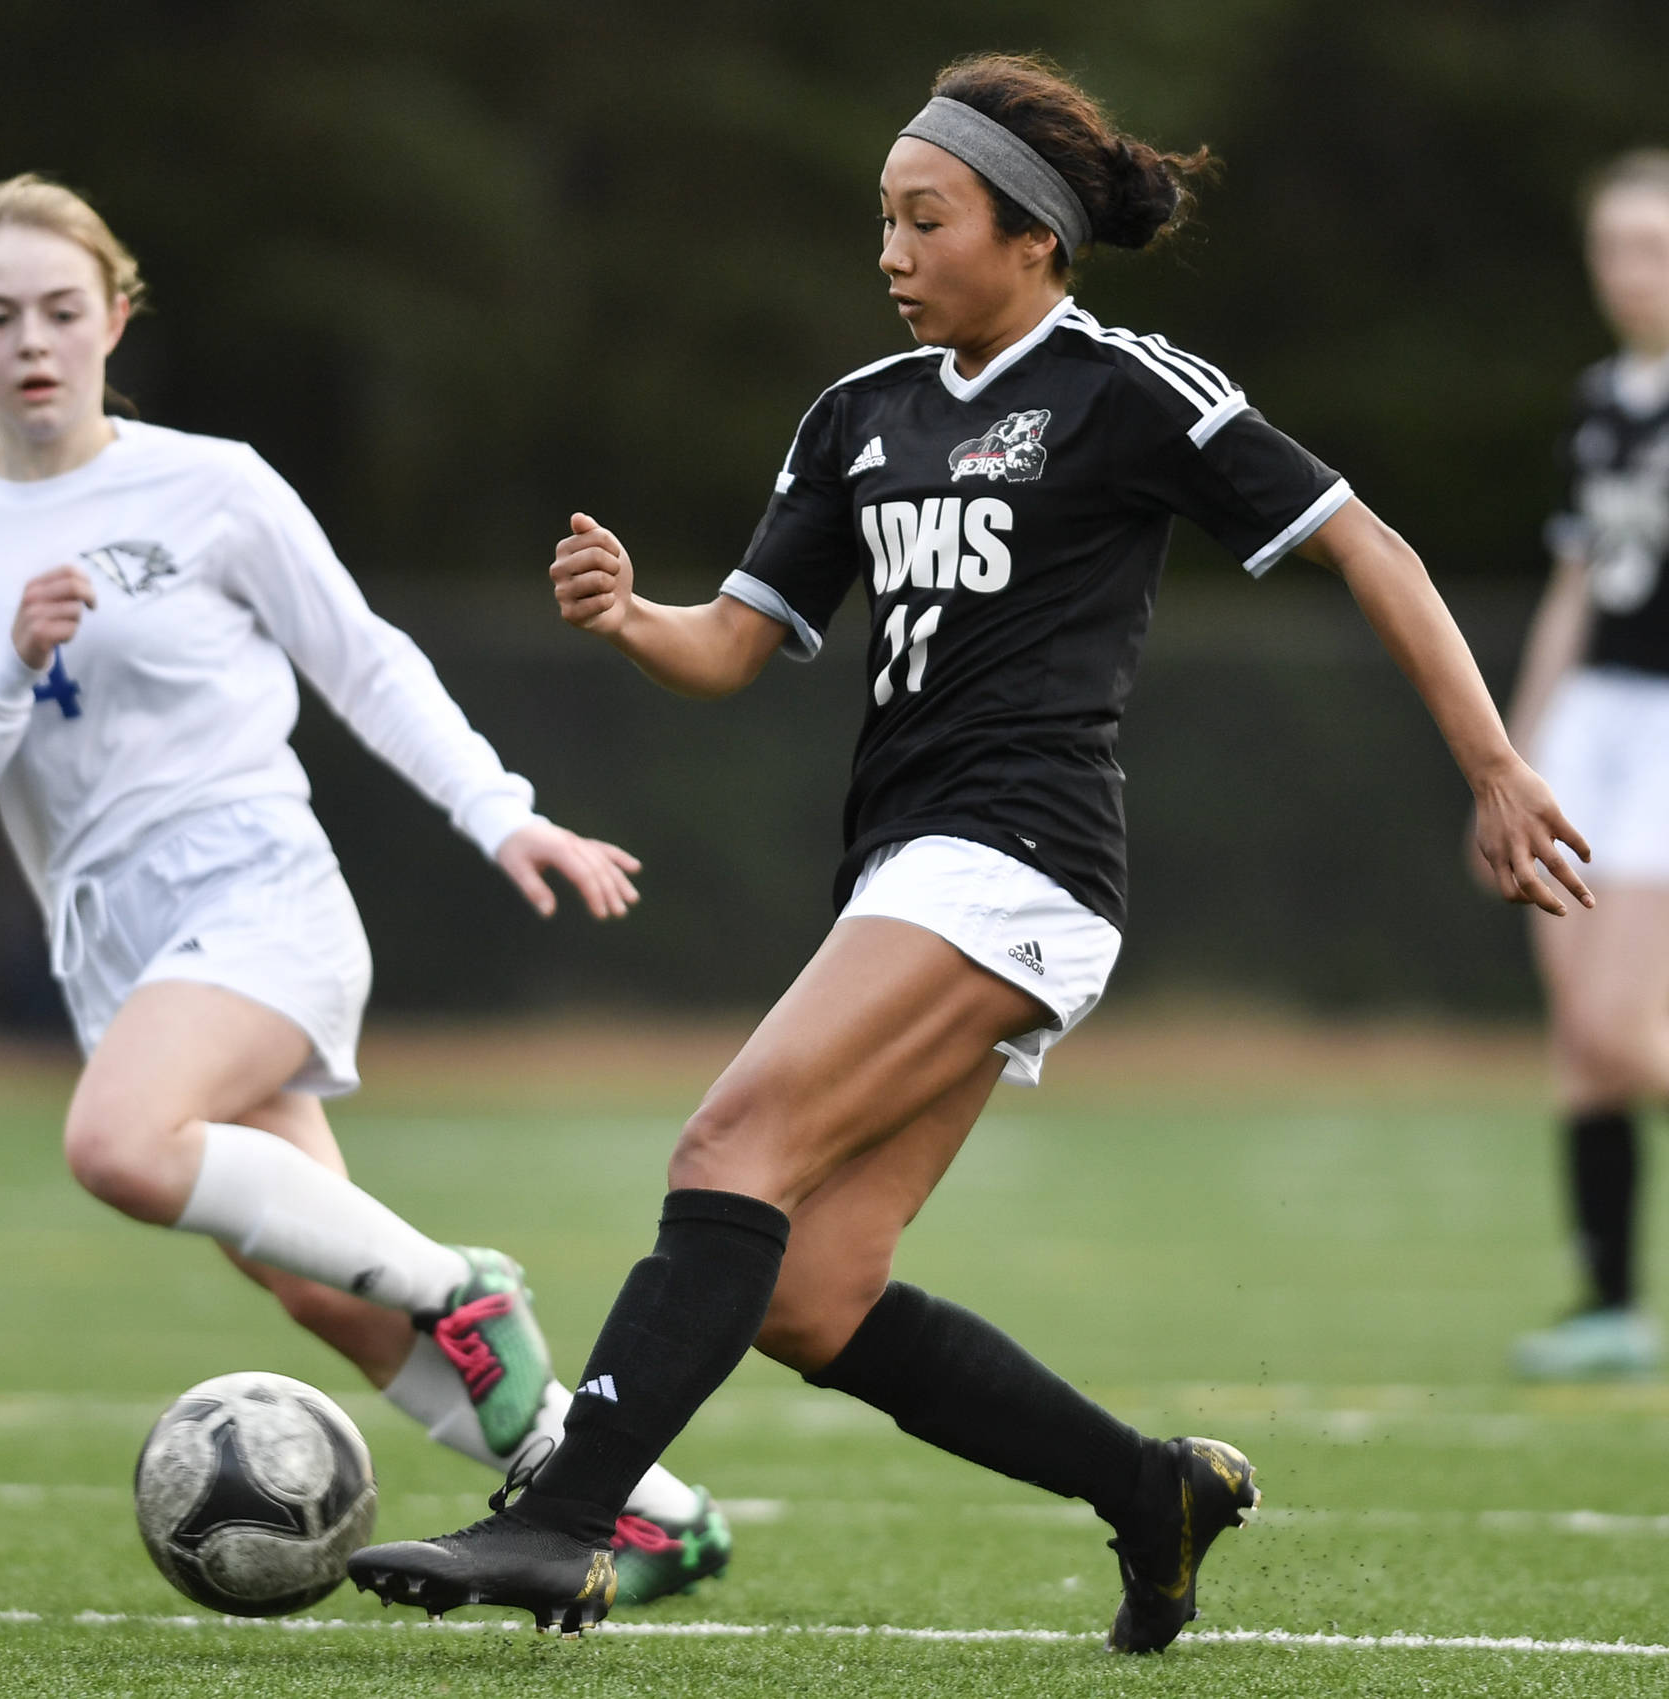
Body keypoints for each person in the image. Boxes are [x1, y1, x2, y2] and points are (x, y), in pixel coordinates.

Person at [348, 53, 1593, 1648]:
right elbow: (738, 646)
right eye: (882, 218)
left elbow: (1366, 538)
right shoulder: (856, 417)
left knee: (727, 1147)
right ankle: (1154, 1490)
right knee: (811, 1293)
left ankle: (562, 1518)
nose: (889, 250)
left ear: (1035, 237)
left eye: (924, 218)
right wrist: (630, 613)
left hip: (1021, 855)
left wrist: (1492, 766)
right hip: (914, 867)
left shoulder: (1131, 390)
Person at [0, 173, 730, 1606]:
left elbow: (365, 658)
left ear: (116, 318)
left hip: (258, 890)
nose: (34, 341)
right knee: (326, 1285)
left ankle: (470, 1287)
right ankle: (649, 1514)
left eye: (63, 312)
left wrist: (500, 811)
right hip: (115, 953)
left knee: (122, 1144)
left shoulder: (213, 482)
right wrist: (5, 662)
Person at [1502, 151, 1669, 1381]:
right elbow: (1573, 582)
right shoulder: (1598, 398)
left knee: (1619, 1028)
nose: (1631, 273)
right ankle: (1609, 1306)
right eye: (1614, 246)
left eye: (1655, 248)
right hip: (1590, 722)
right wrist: (1511, 755)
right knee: (1577, 1032)